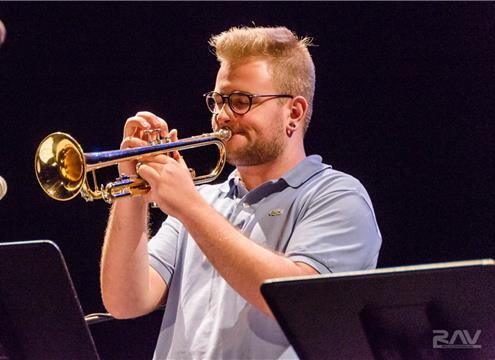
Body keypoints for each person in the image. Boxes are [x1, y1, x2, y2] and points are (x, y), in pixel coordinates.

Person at [100, 25, 382, 359]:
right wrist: (131, 191)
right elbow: (125, 301)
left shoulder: (338, 197)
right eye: (217, 101)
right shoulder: (204, 200)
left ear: (294, 113)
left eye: (240, 101)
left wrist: (189, 207)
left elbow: (299, 302)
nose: (221, 116)